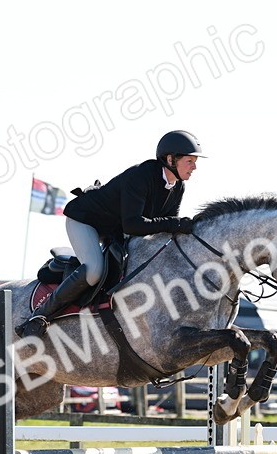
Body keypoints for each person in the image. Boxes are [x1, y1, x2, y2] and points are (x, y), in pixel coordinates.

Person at [17, 130, 205, 339]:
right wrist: (175, 224)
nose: (194, 167)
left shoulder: (178, 187)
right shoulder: (140, 176)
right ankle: (38, 317)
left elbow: (165, 229)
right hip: (86, 220)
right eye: (190, 161)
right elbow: (133, 225)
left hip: (114, 229)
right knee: (94, 270)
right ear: (170, 159)